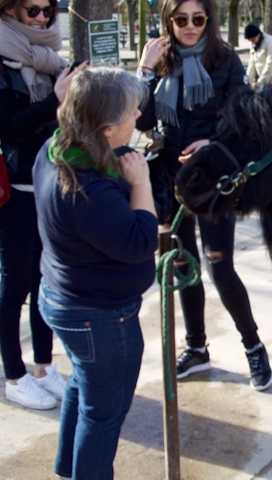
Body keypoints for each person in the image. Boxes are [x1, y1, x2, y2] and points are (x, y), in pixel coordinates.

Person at [137, 0, 272, 390]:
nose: (191, 26)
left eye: (199, 19)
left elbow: (244, 118)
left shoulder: (225, 58)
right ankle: (196, 347)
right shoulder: (158, 56)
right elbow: (142, 118)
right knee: (184, 265)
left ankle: (253, 346)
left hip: (213, 179)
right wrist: (145, 71)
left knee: (220, 267)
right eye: (182, 19)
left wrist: (209, 143)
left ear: (208, 20)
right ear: (169, 20)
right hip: (171, 179)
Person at [34, 67, 157, 480]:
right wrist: (141, 184)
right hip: (99, 317)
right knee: (103, 415)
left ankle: (68, 470)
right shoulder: (87, 188)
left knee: (82, 388)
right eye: (130, 111)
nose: (138, 114)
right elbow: (141, 241)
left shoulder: (54, 149)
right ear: (106, 129)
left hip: (64, 299)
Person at [0, 0, 74, 410]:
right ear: (8, 10)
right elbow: (7, 127)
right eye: (33, 10)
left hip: (47, 182)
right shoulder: (2, 55)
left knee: (42, 280)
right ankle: (14, 375)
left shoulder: (49, 59)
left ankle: (44, 368)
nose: (43, 18)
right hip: (13, 189)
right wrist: (54, 101)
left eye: (49, 9)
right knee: (12, 287)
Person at [244, 23, 272, 91]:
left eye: (253, 40)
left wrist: (260, 81)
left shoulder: (271, 43)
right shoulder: (254, 45)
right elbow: (251, 65)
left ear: (258, 35)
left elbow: (271, 64)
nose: (252, 43)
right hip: (266, 84)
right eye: (250, 41)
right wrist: (247, 82)